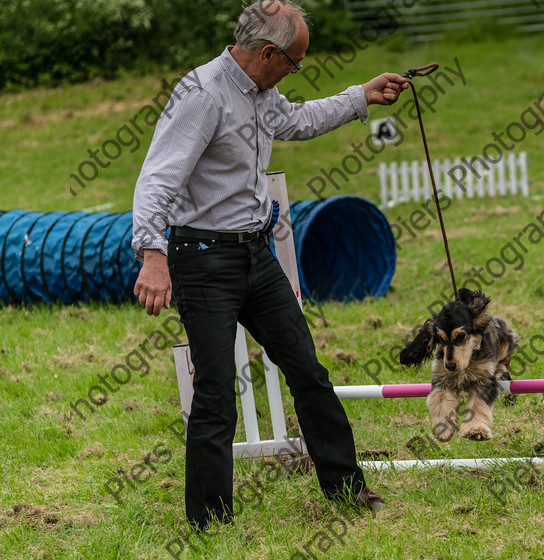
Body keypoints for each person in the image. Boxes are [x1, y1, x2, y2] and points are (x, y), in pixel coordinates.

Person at [131, 0, 408, 530]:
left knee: (308, 371)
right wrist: (152, 253)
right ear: (266, 52)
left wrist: (359, 97)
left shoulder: (260, 91)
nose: (295, 71)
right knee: (215, 391)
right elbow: (157, 178)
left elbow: (297, 119)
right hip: (202, 258)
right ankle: (211, 521)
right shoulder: (202, 94)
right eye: (294, 62)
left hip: (255, 254)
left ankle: (346, 489)